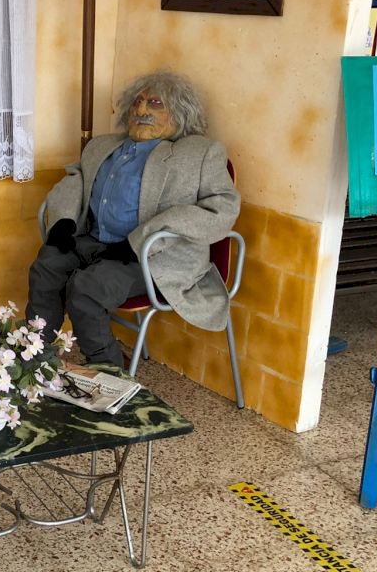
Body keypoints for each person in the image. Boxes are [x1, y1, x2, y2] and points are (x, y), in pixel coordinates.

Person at [28, 71, 240, 368]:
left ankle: (108, 370)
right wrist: (64, 221)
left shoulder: (200, 153)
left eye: (155, 103)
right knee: (47, 265)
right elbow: (77, 177)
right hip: (94, 240)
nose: (141, 110)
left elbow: (222, 208)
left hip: (152, 257)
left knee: (87, 288)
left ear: (180, 113)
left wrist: (142, 240)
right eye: (137, 102)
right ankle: (34, 354)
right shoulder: (102, 145)